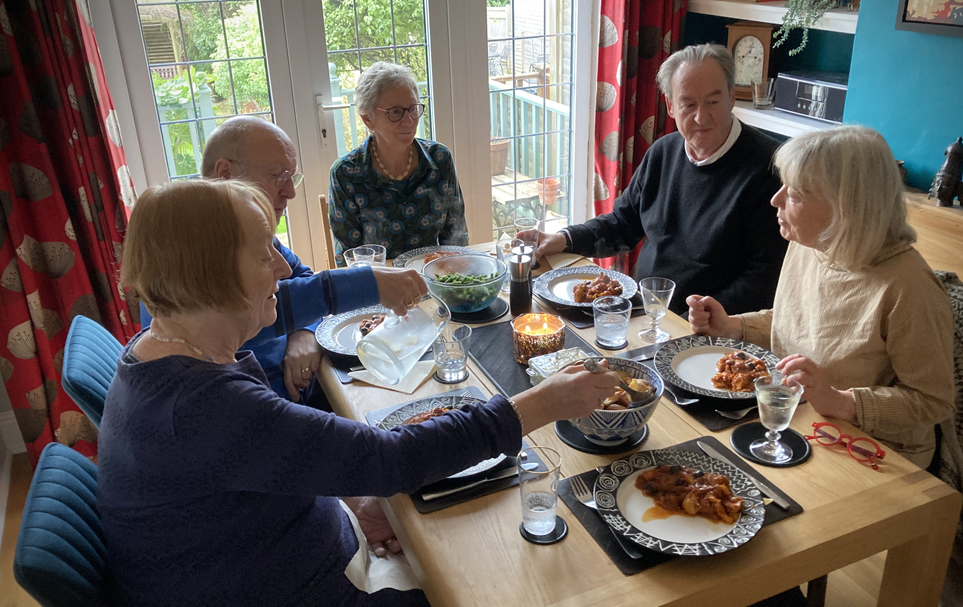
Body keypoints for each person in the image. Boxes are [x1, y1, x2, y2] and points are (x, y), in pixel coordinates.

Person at [102, 179, 620, 607]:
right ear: (209, 276)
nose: (283, 269)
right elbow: (389, 458)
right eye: (264, 255)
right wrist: (539, 405)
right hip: (290, 590)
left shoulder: (166, 348)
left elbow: (273, 463)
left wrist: (350, 502)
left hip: (282, 554)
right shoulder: (200, 408)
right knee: (505, 583)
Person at [687, 125, 955, 468]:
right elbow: (796, 321)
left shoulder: (910, 287)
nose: (776, 200)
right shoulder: (810, 245)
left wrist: (843, 402)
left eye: (795, 194)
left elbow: (933, 401)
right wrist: (733, 326)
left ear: (844, 209)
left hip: (874, 453)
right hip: (801, 424)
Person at [139, 116, 424, 406]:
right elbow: (236, 304)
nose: (290, 192)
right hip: (260, 404)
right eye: (278, 176)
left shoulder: (240, 221)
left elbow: (300, 275)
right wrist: (367, 283)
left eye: (292, 177)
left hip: (299, 388)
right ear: (225, 172)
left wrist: (303, 331)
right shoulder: (185, 241)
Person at [527, 43, 787, 315]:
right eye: (688, 104)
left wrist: (699, 320)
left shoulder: (770, 167)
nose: (701, 116)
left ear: (732, 97)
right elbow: (621, 224)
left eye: (713, 101)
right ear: (671, 106)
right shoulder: (663, 152)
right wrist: (563, 239)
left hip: (709, 330)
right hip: (644, 312)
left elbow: (766, 277)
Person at [329, 62, 468, 265]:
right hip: (380, 286)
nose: (409, 121)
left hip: (435, 278)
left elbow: (457, 238)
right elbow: (349, 260)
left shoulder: (440, 159)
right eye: (395, 112)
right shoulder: (347, 173)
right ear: (368, 119)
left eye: (413, 109)